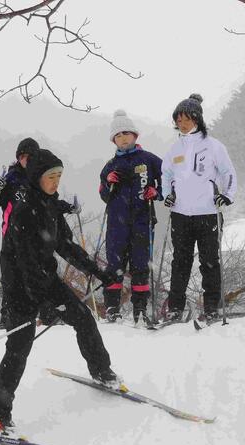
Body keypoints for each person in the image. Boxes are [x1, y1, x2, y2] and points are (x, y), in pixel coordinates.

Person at [0, 148, 119, 434]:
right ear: (36, 177)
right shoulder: (24, 211)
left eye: (59, 175)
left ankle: (101, 370)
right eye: (51, 176)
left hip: (45, 278)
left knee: (83, 318)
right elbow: (25, 262)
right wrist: (43, 303)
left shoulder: (51, 206)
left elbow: (66, 246)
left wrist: (98, 272)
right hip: (20, 285)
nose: (56, 181)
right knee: (19, 348)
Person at [0, 138, 78, 329]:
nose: (26, 160)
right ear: (18, 158)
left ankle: (48, 315)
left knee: (41, 274)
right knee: (11, 278)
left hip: (39, 236)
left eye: (31, 156)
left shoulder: (41, 177)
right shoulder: (11, 178)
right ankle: (8, 318)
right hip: (13, 236)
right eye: (23, 156)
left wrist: (68, 207)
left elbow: (51, 203)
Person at [161, 94, 237, 322]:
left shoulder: (214, 146)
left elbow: (228, 172)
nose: (182, 124)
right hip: (181, 214)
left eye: (187, 119)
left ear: (197, 119)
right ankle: (175, 309)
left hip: (208, 213)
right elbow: (166, 175)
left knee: (210, 262)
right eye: (178, 120)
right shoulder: (174, 149)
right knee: (180, 263)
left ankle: (212, 307)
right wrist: (167, 195)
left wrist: (227, 195)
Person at [98, 109, 162, 324]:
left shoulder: (149, 159)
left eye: (126, 133)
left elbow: (169, 178)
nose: (123, 138)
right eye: (118, 135)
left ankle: (140, 309)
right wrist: (108, 182)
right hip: (116, 224)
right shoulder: (110, 166)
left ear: (135, 135)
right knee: (114, 266)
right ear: (113, 140)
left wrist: (157, 192)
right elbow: (103, 194)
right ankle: (112, 308)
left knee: (140, 265)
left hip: (142, 221)